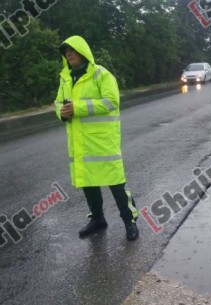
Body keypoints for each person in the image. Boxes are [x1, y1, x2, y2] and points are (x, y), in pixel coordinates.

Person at [54, 35, 139, 241]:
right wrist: (61, 112)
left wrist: (78, 108)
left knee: (116, 183)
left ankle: (130, 221)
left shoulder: (101, 74)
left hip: (102, 142)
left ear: (83, 52)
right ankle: (98, 219)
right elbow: (57, 102)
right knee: (88, 184)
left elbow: (111, 102)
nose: (69, 54)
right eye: (66, 52)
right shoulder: (66, 77)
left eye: (72, 51)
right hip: (79, 142)